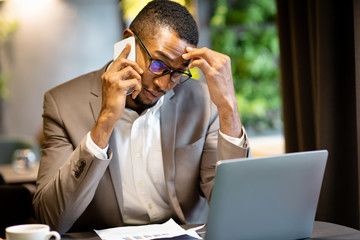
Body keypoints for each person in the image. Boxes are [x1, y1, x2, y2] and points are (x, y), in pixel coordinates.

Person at [33, 0, 251, 235]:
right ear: (129, 41)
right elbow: (52, 219)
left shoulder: (204, 102)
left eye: (177, 72)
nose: (163, 84)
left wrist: (228, 107)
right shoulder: (62, 104)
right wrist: (105, 123)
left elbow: (236, 208)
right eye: (158, 64)